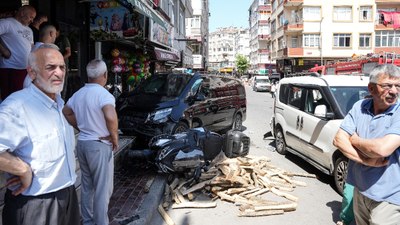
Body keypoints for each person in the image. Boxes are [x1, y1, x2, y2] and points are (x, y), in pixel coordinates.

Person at [0, 44, 80, 225]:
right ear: (32, 72)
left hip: (67, 196)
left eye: (62, 67)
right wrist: (21, 168)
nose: (59, 73)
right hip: (35, 205)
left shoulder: (59, 103)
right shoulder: (17, 106)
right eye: (50, 67)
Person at [333, 64, 400, 225]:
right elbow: (338, 139)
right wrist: (365, 160)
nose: (394, 91)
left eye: (397, 86)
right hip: (360, 190)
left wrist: (354, 139)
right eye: (387, 86)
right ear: (371, 88)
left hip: (389, 197)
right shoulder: (359, 107)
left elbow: (383, 149)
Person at [63, 59, 119, 225]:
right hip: (99, 145)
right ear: (105, 75)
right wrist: (114, 136)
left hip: (83, 144)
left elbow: (66, 112)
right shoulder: (104, 95)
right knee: (103, 189)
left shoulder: (79, 94)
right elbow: (110, 115)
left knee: (87, 187)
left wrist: (80, 127)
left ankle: (88, 222)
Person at [0, 5, 36, 100]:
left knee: (21, 98)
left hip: (25, 70)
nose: (32, 20)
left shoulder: (29, 30)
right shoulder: (7, 23)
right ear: (22, 13)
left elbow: (31, 48)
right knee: (9, 99)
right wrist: (3, 50)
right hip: (10, 68)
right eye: (31, 17)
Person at [23, 23, 58, 88]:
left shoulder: (31, 49)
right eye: (55, 34)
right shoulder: (48, 51)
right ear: (51, 33)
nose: (56, 36)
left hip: (28, 84)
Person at [54, 22, 71, 100]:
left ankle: (62, 102)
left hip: (62, 65)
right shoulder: (52, 39)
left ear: (58, 31)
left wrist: (59, 59)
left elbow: (68, 53)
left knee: (63, 85)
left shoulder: (63, 39)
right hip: (54, 65)